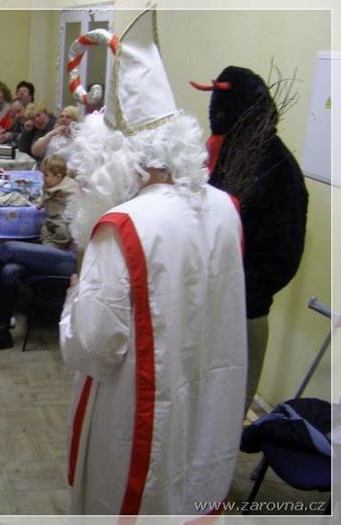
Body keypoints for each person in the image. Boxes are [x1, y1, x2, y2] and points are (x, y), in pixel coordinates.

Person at [59, 10, 247, 514]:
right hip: (203, 405)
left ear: (117, 156)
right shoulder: (224, 208)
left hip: (134, 414)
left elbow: (93, 346)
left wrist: (76, 297)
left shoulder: (123, 225)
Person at [192, 65, 309, 411]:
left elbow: (285, 252)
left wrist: (243, 289)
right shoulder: (229, 152)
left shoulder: (278, 168)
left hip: (245, 309)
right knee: (198, 401)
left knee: (227, 408)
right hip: (209, 302)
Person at [0, 155, 78, 352]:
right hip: (52, 247)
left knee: (8, 249)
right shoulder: (65, 186)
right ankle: (2, 334)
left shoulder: (74, 190)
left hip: (71, 259)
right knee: (9, 271)